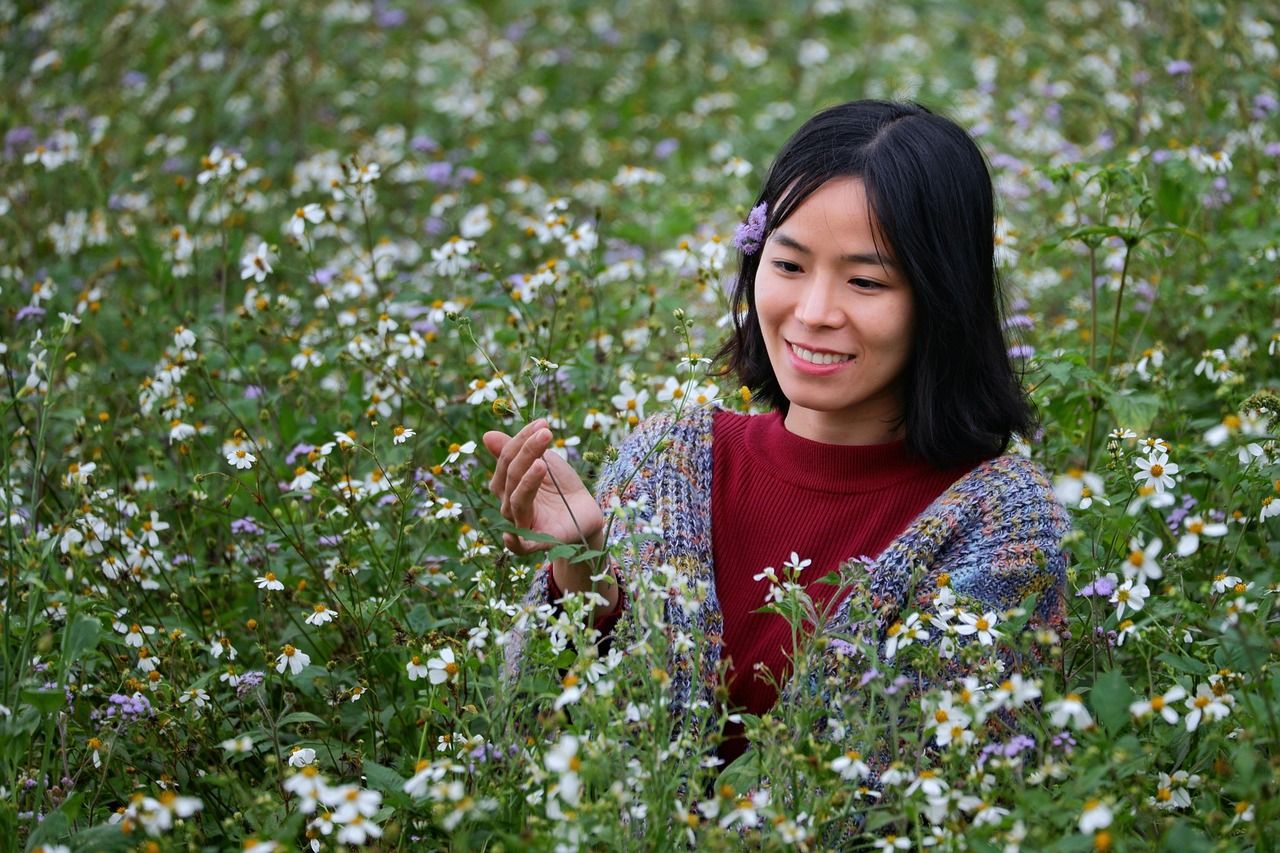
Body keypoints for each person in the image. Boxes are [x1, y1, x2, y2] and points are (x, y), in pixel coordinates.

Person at [484, 99, 1069, 769]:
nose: (814, 312)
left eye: (865, 280)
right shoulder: (666, 459)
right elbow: (519, 754)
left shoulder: (999, 521)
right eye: (788, 266)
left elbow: (926, 791)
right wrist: (582, 574)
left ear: (942, 298)